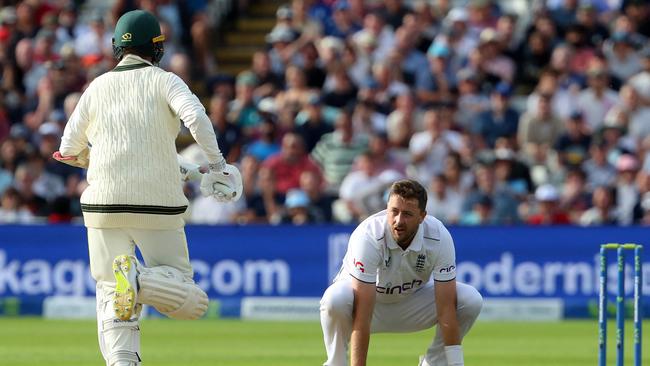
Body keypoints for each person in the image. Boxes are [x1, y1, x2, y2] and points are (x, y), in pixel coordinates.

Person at [52, 10, 242, 366]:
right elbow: (197, 118)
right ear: (157, 48)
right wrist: (216, 164)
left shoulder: (97, 86)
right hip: (157, 206)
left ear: (116, 48)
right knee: (191, 300)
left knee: (111, 291)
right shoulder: (165, 80)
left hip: (102, 206)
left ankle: (124, 359)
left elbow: (67, 150)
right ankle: (138, 280)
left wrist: (97, 158)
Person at [320, 179, 482, 366]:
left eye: (407, 214)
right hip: (363, 309)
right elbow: (363, 314)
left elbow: (446, 308)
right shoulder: (368, 236)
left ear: (422, 216)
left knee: (470, 299)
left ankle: (435, 363)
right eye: (394, 211)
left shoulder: (438, 235)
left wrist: (456, 364)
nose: (398, 221)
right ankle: (336, 363)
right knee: (335, 298)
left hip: (410, 305)